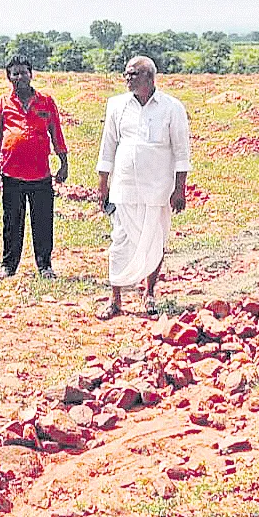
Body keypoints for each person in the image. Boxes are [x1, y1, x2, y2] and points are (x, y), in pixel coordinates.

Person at [95, 55, 191, 319]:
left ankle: (149, 294)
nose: (128, 78)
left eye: (134, 74)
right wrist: (103, 184)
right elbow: (108, 147)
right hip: (124, 188)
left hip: (158, 188)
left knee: (155, 239)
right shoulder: (116, 105)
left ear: (150, 77)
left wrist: (179, 188)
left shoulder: (172, 107)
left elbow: (182, 152)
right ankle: (115, 300)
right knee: (119, 241)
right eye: (126, 74)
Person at [0, 55, 70, 280]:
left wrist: (63, 163)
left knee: (42, 221)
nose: (20, 77)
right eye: (15, 73)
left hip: (40, 174)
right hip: (11, 174)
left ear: (31, 74)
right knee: (12, 222)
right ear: (9, 78)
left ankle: (45, 265)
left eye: (24, 72)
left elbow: (56, 133)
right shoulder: (2, 104)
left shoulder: (46, 102)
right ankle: (8, 266)